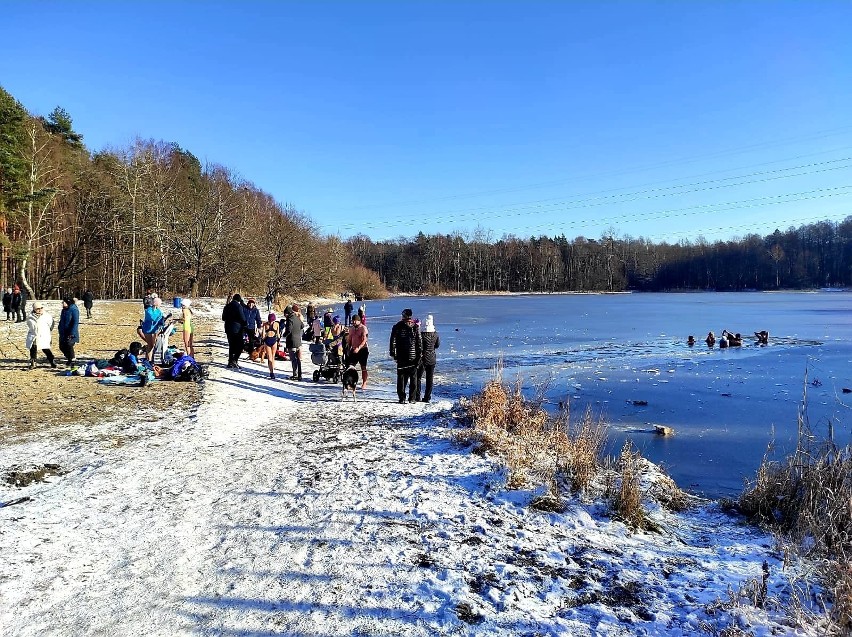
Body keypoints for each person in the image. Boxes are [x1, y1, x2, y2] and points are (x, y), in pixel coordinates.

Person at [389, 308, 421, 404]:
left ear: (403, 316)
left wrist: (393, 354)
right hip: (413, 355)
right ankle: (412, 398)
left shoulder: (397, 326)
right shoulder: (415, 327)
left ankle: (402, 398)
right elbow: (419, 343)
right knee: (413, 377)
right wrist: (419, 355)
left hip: (401, 355)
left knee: (401, 377)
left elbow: (392, 341)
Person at [25, 302, 56, 368]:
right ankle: (33, 362)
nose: (40, 310)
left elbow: (52, 324)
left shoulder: (47, 316)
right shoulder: (30, 317)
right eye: (38, 308)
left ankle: (52, 360)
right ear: (34, 309)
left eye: (41, 308)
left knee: (45, 348)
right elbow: (29, 325)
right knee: (33, 348)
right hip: (34, 335)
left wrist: (46, 331)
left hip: (44, 335)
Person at [417, 314, 440, 402]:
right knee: (429, 378)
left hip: (422, 358)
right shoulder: (435, 334)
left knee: (418, 377)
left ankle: (417, 396)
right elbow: (437, 345)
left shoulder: (420, 334)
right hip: (432, 358)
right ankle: (427, 397)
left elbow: (418, 346)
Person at [222, 294, 248, 368]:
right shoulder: (238, 307)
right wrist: (245, 324)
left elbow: (223, 318)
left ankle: (230, 362)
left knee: (231, 345)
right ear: (239, 300)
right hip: (237, 329)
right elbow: (242, 318)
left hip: (228, 328)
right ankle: (235, 360)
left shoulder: (227, 306)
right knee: (240, 345)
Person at [347, 313, 369, 389]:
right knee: (350, 367)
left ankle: (364, 383)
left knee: (363, 367)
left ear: (359, 321)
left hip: (363, 350)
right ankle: (351, 381)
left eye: (355, 321)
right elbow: (349, 339)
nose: (353, 323)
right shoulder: (351, 329)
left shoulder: (363, 328)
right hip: (353, 349)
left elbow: (364, 340)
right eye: (352, 321)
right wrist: (348, 349)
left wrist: (358, 348)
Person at [57, 297, 80, 366]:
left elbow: (75, 322)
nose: (62, 303)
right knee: (61, 346)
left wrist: (72, 333)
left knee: (69, 345)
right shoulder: (63, 310)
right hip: (63, 331)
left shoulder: (74, 310)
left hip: (70, 332)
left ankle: (72, 359)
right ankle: (69, 358)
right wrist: (59, 327)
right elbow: (61, 320)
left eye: (64, 302)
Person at [285, 304, 304, 380]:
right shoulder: (297, 318)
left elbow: (289, 330)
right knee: (298, 359)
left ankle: (295, 375)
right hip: (298, 341)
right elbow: (302, 326)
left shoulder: (290, 319)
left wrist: (284, 335)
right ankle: (300, 375)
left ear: (287, 313)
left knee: (293, 359)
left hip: (291, 341)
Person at [261, 312, 280, 379]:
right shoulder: (265, 324)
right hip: (268, 341)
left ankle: (272, 370)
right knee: (269, 357)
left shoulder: (277, 324)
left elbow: (278, 334)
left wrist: (278, 341)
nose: (271, 322)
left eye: (272, 321)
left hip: (274, 341)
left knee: (273, 356)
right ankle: (271, 372)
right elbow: (263, 335)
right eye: (270, 321)